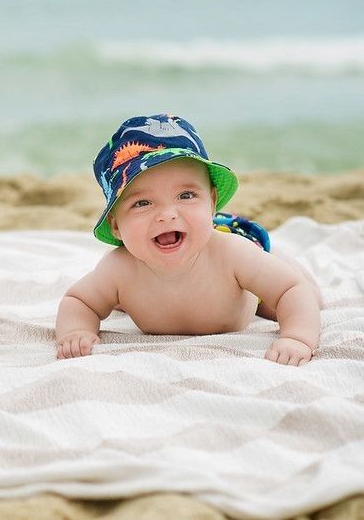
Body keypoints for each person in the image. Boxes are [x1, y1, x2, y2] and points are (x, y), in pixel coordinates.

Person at [55, 114, 321, 366]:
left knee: (302, 299)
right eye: (143, 203)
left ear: (212, 202)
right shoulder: (118, 269)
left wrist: (296, 337)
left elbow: (292, 289)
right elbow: (79, 301)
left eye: (186, 196)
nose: (167, 215)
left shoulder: (232, 255)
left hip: (244, 268)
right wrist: (77, 330)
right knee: (115, 297)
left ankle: (278, 259)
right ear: (115, 225)